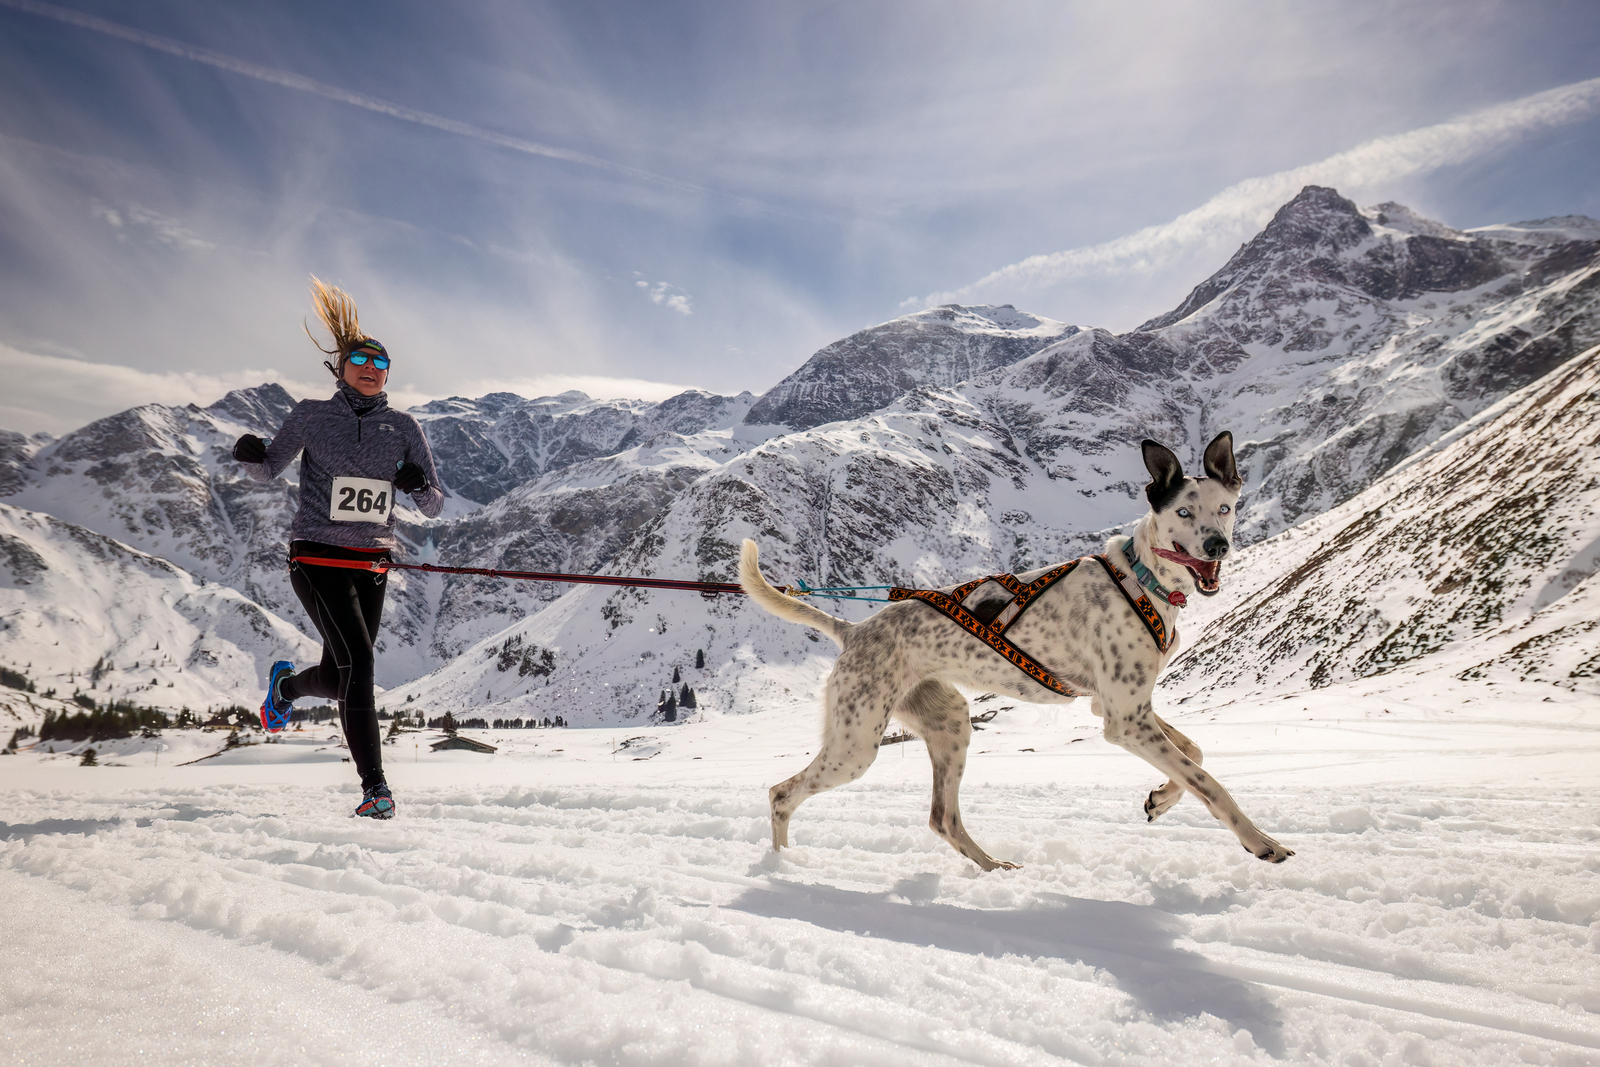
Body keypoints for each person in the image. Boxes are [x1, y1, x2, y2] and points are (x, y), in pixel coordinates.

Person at [232, 278, 444, 819]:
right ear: (341, 367)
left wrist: (418, 484)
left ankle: (287, 687)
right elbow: (267, 471)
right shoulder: (310, 414)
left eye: (382, 363)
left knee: (338, 674)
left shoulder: (403, 427)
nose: (371, 369)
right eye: (361, 360)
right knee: (362, 663)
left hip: (372, 564)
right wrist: (251, 452)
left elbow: (434, 506)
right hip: (315, 555)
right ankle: (376, 789)